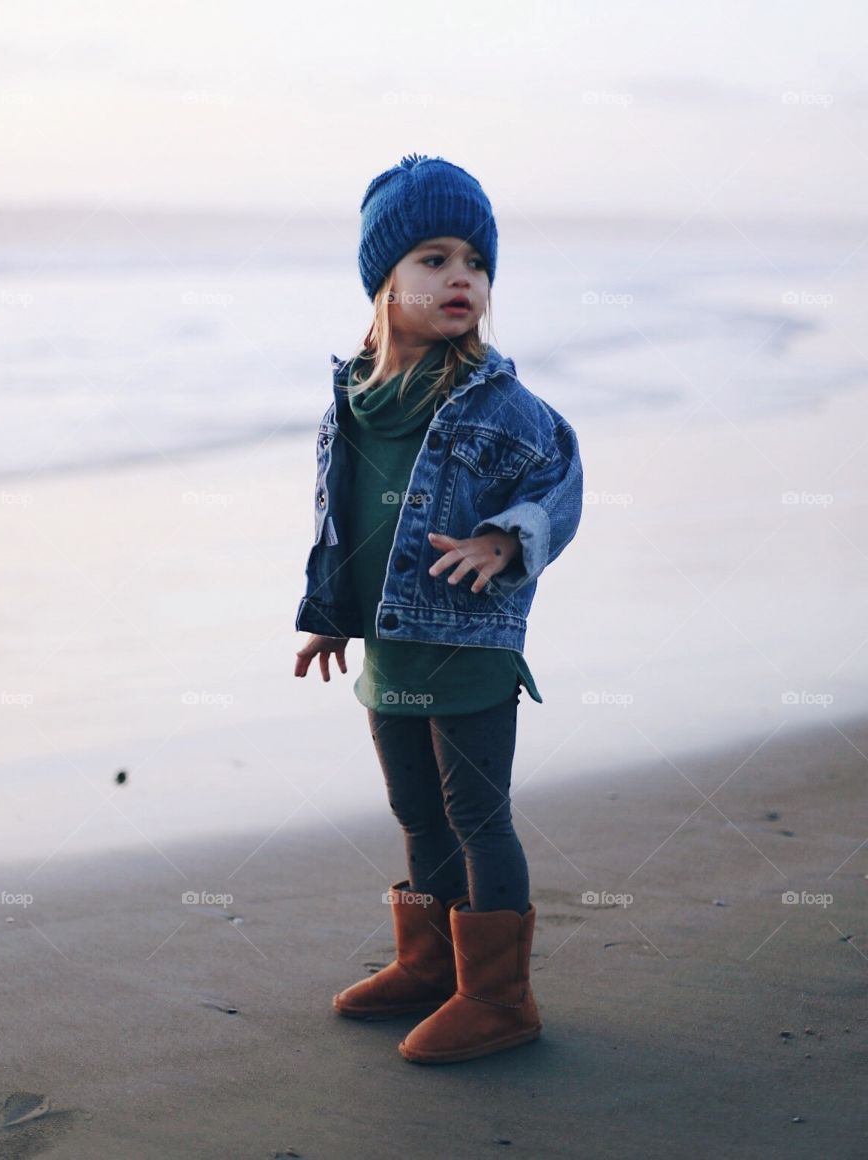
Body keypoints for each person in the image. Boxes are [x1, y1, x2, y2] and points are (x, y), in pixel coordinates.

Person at [293, 153, 583, 1064]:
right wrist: (329, 611)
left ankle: (498, 998)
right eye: (433, 258)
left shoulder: (502, 402)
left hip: (467, 647)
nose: (462, 276)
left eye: (475, 261)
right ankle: (429, 964)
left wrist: (508, 540)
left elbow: (562, 478)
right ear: (386, 281)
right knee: (416, 810)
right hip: (390, 649)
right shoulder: (352, 401)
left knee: (477, 815)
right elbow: (342, 517)